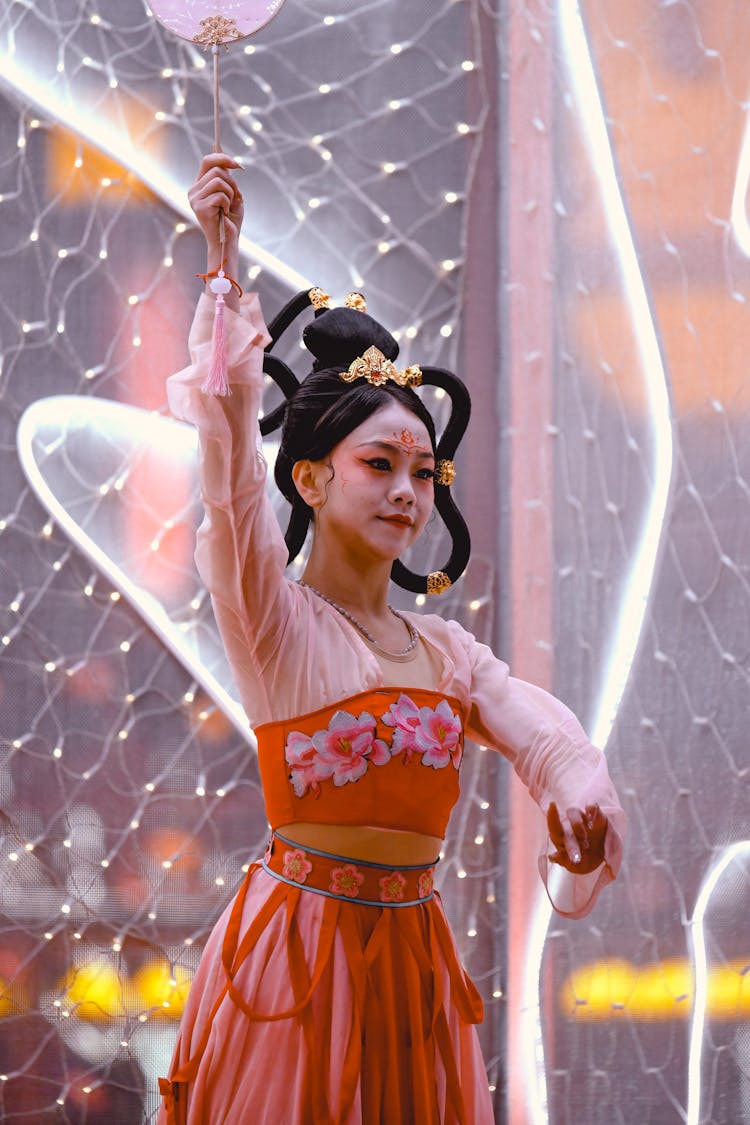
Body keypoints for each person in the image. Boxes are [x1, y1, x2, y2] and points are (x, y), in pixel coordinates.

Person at [157, 154, 626, 1125]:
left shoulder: (452, 656)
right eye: (380, 464)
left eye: (426, 471)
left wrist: (580, 820)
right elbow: (227, 467)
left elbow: (548, 738)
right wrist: (221, 264)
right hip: (291, 961)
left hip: (413, 961)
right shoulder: (273, 619)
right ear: (311, 480)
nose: (409, 490)